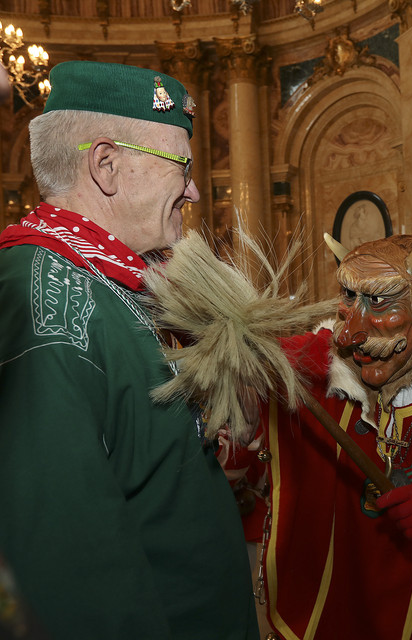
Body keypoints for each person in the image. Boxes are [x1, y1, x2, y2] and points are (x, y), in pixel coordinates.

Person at [0, 60, 259, 640]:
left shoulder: (102, 281)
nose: (193, 189)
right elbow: (71, 575)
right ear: (107, 165)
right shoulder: (50, 303)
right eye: (181, 167)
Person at [260, 234, 412, 639]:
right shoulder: (325, 368)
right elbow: (259, 368)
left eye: (379, 302)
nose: (348, 334)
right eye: (348, 297)